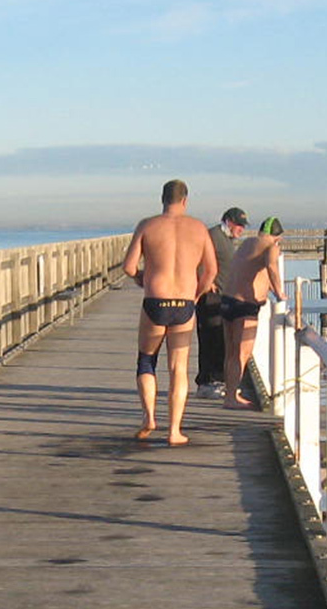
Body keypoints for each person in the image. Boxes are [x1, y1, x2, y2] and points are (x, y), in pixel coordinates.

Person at [120, 179, 218, 446]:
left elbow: (128, 266)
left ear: (162, 199)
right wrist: (196, 294)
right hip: (184, 304)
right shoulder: (198, 228)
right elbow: (211, 272)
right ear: (185, 200)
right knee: (179, 369)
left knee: (146, 360)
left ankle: (148, 417)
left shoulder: (147, 225)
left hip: (155, 300)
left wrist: (142, 278)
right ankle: (174, 431)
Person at [222, 213, 285, 409]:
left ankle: (231, 393)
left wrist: (271, 288)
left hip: (227, 300)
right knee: (242, 353)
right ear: (278, 237)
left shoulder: (248, 243)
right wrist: (280, 293)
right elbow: (272, 267)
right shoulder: (272, 247)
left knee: (231, 351)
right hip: (245, 305)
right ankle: (230, 398)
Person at [194, 207, 248, 397]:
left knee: (220, 339)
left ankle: (218, 380)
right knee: (210, 339)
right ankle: (207, 382)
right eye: (238, 225)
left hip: (224, 297)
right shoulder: (213, 235)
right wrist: (206, 283)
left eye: (243, 226)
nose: (241, 229)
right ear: (228, 221)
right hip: (211, 296)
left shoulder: (226, 240)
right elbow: (198, 259)